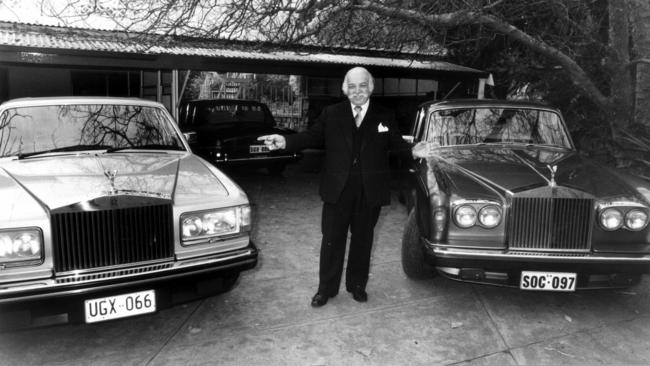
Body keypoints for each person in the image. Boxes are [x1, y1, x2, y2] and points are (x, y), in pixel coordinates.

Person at [258, 66, 430, 307]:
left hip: (370, 192)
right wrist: (285, 141)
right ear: (345, 89)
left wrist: (412, 150)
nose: (357, 91)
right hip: (337, 190)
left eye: (362, 86)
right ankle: (325, 290)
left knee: (363, 241)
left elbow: (395, 145)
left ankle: (357, 286)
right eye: (352, 86)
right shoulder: (332, 113)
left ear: (370, 88)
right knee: (332, 240)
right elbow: (311, 137)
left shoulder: (384, 115)